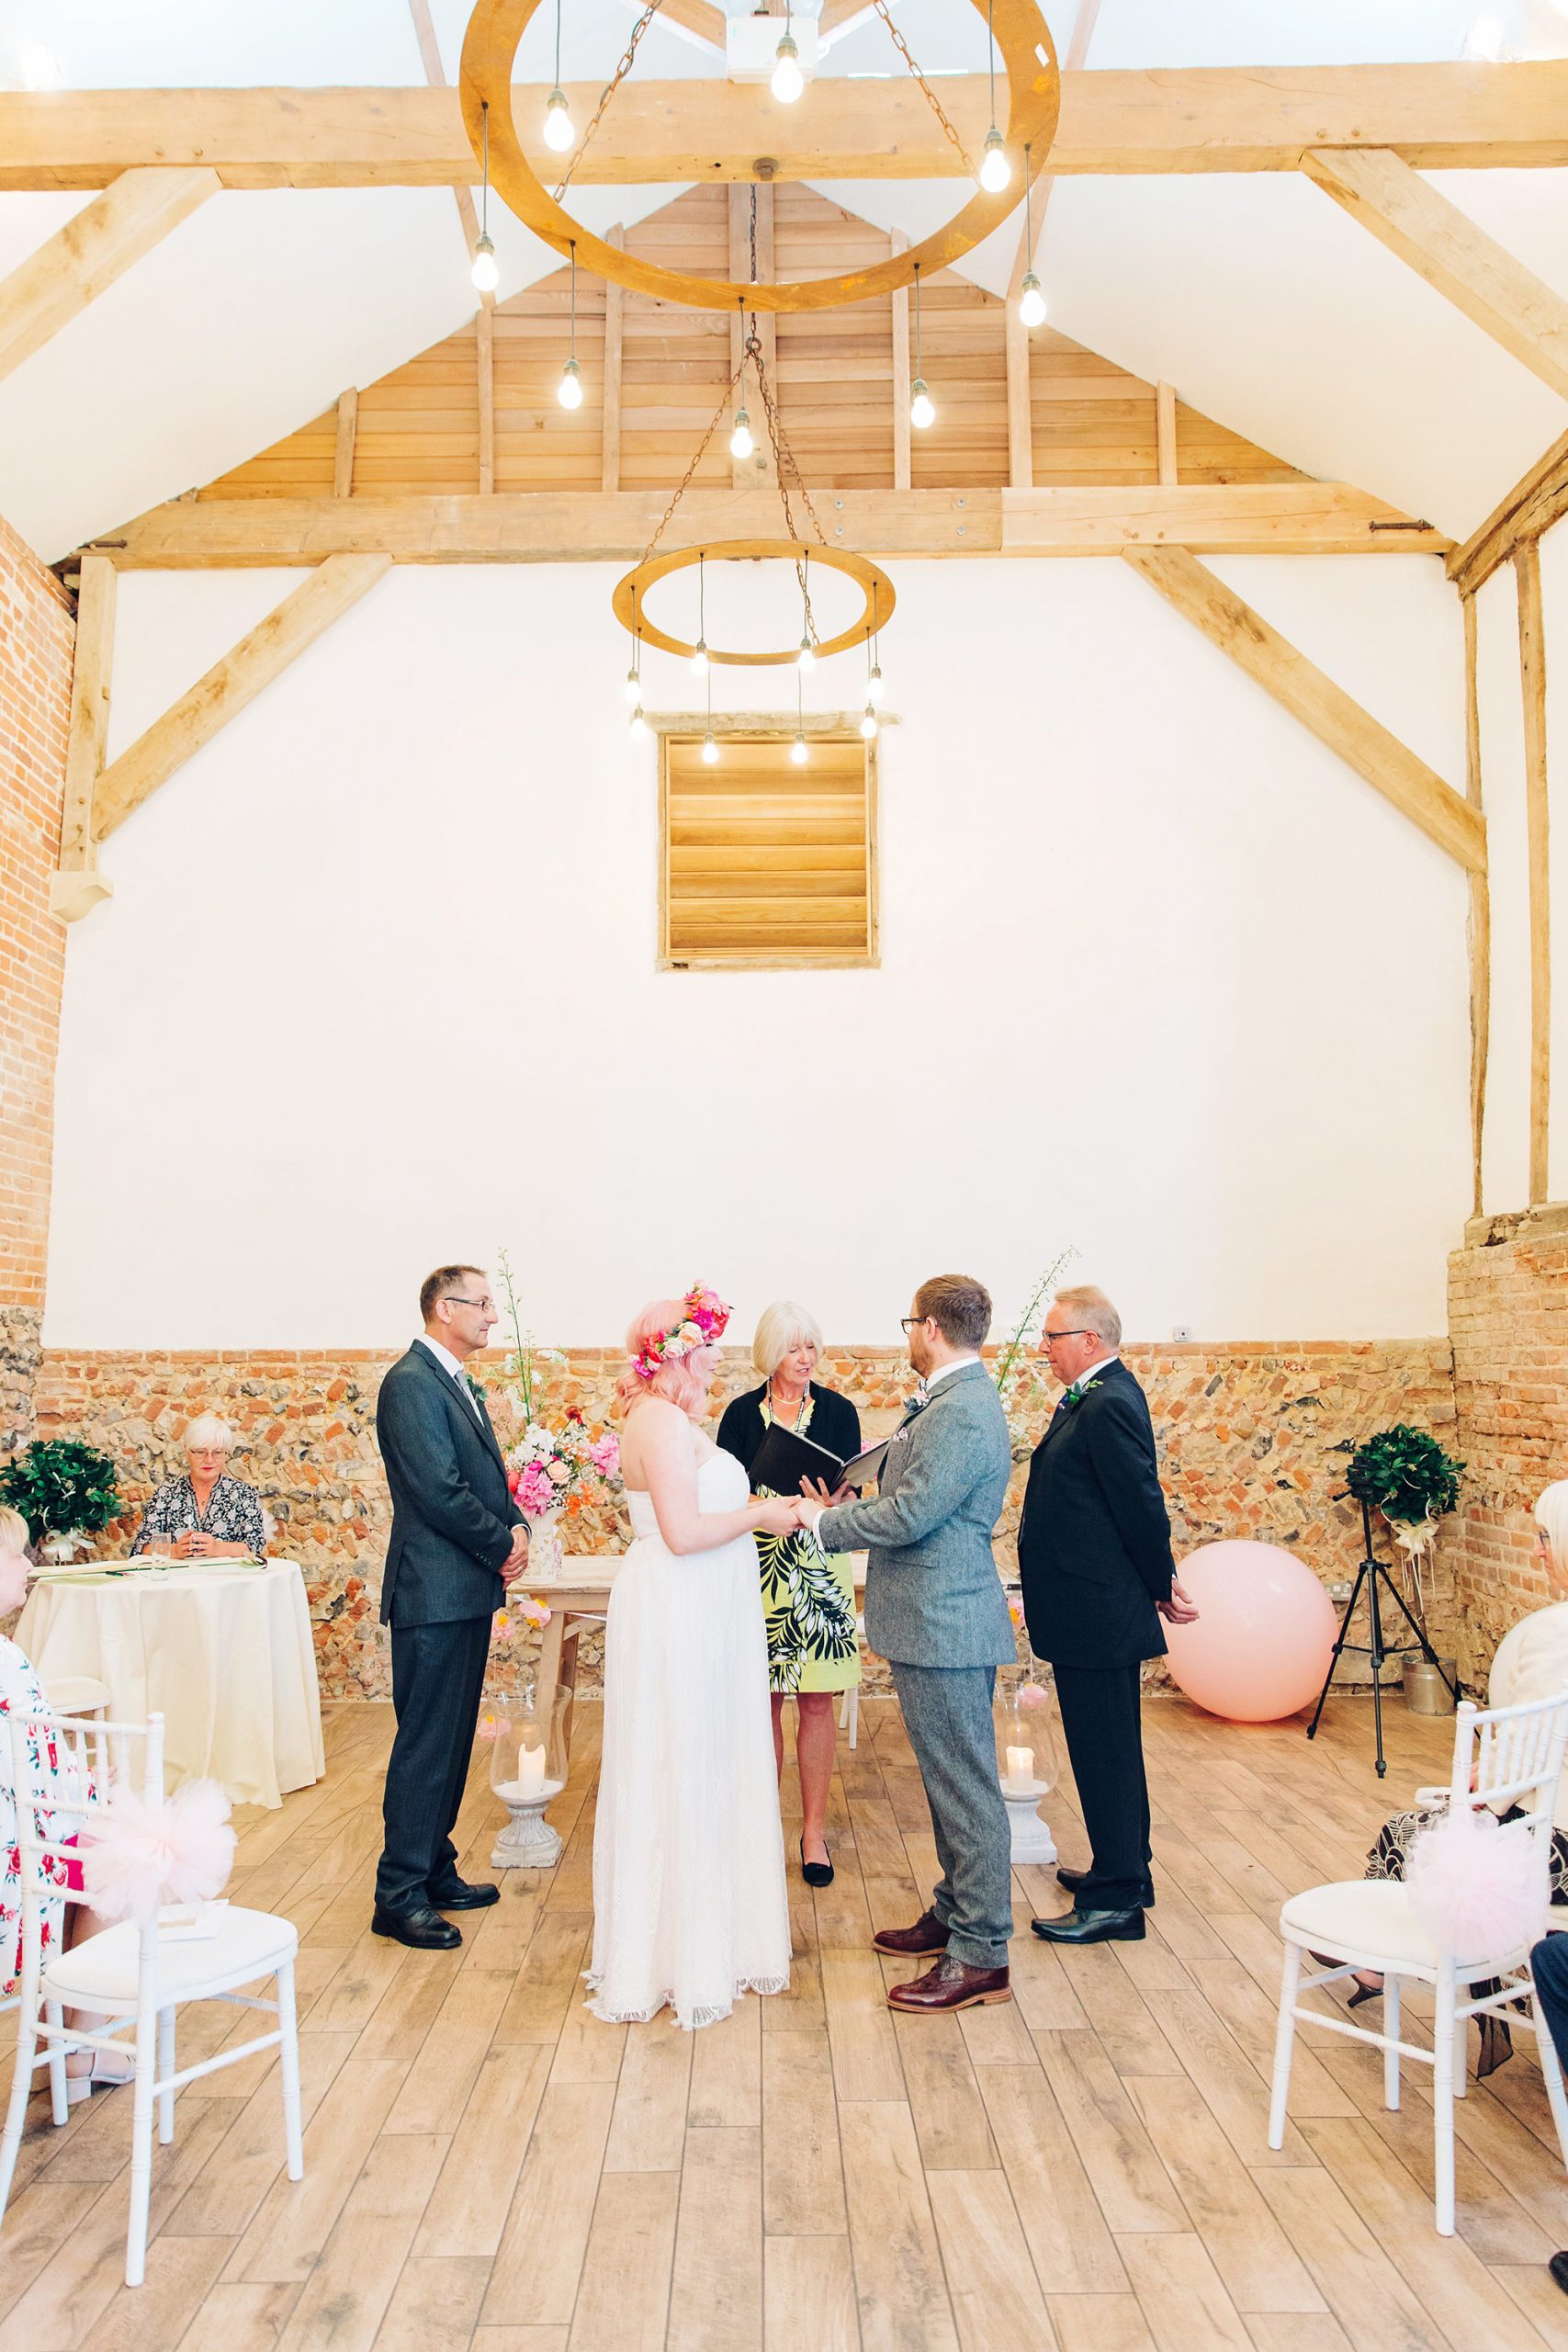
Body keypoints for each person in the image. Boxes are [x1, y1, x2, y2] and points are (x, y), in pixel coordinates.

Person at [796, 1275, 1015, 2015]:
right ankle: (955, 1911)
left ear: (927, 1327)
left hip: (946, 1620)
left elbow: (916, 1514)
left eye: (907, 1325)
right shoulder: (952, 1401)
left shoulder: (961, 1410)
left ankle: (981, 1953)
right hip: (932, 1617)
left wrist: (822, 1525)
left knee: (964, 1787)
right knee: (947, 1780)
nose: (905, 1337)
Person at [589, 1284, 795, 2030]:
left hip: (698, 1605)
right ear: (675, 1354)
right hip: (680, 1605)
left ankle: (704, 1943)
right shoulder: (664, 1426)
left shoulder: (660, 1418)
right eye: (705, 1348)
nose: (715, 1360)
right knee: (680, 1761)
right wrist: (765, 1513)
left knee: (696, 1759)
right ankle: (682, 1957)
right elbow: (682, 1532)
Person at [1349, 1477, 1568, 2065]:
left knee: (1407, 1832)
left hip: (1560, 1849)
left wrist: (1480, 1793)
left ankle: (1379, 1962)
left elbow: (1533, 1749)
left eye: (1546, 1538)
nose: (1537, 1552)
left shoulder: (1557, 1633)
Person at [1015, 1284, 1198, 1946]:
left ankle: (1118, 1900)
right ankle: (1123, 1871)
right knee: (1103, 1750)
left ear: (1088, 1341)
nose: (1042, 1348)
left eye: (1052, 1337)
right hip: (1086, 1605)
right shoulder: (1095, 1395)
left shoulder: (1110, 1400)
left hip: (1098, 1608)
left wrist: (1161, 1582)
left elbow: (1138, 1502)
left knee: (1106, 1754)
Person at [371, 1265, 528, 1951]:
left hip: (460, 1588)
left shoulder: (451, 1380)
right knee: (426, 1743)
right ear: (444, 1308)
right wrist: (501, 1545)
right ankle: (397, 1894)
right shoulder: (409, 1385)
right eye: (483, 1304)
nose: (492, 1316)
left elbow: (483, 1476)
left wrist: (517, 1523)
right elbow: (439, 1490)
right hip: (432, 1592)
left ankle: (435, 1869)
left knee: (451, 1738)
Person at [717, 1301, 862, 1888]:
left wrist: (833, 1505)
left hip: (821, 1568)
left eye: (811, 1348)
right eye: (793, 1348)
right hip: (758, 1569)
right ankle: (760, 1827)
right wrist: (764, 1507)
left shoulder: (839, 1411)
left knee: (818, 1701)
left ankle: (813, 1833)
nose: (804, 1359)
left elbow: (856, 1498)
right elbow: (723, 1497)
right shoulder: (737, 1415)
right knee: (764, 1702)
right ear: (770, 1353)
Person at [0, 1506, 124, 2099]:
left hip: (14, 1839)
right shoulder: (8, 1664)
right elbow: (40, 1786)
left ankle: (66, 2042)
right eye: (16, 1554)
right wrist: (101, 1790)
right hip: (17, 1874)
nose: (28, 1565)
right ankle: (83, 2041)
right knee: (128, 1853)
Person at [130, 1414, 266, 1560]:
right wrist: (176, 1550)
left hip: (227, 1580)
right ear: (187, 1452)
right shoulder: (165, 1494)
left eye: (217, 1452)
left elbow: (255, 1545)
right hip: (179, 1581)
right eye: (201, 1452)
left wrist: (216, 1548)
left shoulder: (244, 1494)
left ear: (226, 1454)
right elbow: (143, 1546)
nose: (209, 1460)